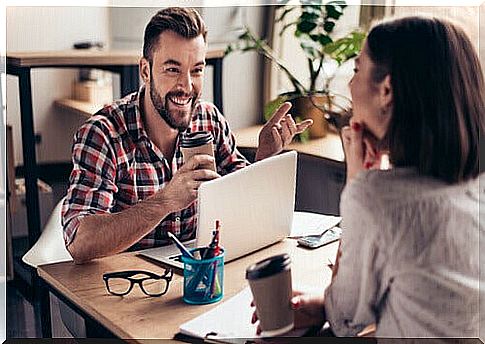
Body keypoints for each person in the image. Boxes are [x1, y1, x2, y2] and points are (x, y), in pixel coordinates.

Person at [252, 16, 484, 337]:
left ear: (386, 89)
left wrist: (357, 178)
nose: (349, 84)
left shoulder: (379, 198)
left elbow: (347, 321)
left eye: (358, 69)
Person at [61, 7, 312, 263]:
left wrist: (264, 158)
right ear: (145, 71)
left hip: (194, 276)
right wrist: (165, 201)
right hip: (127, 284)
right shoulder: (103, 134)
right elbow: (81, 241)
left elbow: (240, 201)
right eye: (173, 69)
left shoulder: (208, 119)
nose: (187, 86)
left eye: (197, 70)